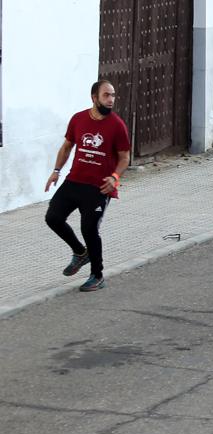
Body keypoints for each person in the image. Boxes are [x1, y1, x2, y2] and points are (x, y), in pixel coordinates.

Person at [44, 79, 130, 293]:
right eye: (106, 95)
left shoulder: (117, 125)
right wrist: (56, 171)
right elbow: (67, 147)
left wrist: (115, 178)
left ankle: (97, 275)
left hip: (99, 187)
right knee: (53, 218)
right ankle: (80, 252)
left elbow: (124, 157)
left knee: (89, 229)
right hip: (74, 181)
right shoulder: (78, 119)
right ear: (94, 98)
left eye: (113, 95)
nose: (111, 100)